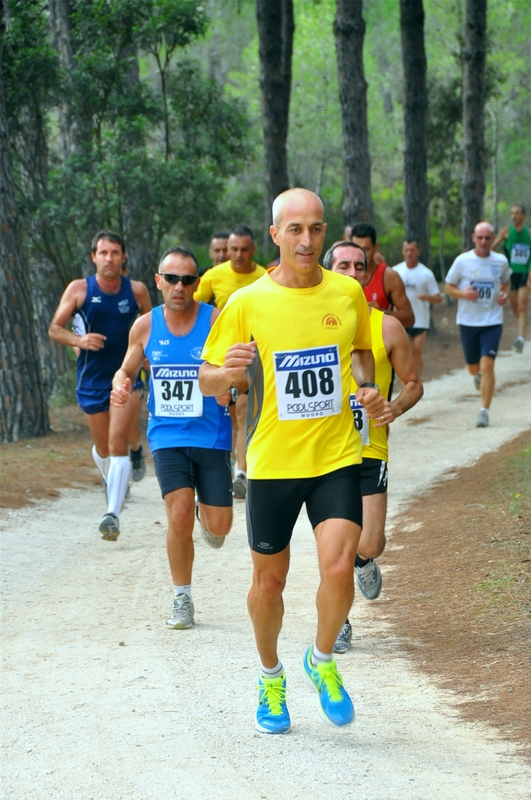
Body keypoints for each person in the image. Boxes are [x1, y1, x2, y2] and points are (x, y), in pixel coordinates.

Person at [199, 188, 385, 734]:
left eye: (316, 228)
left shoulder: (349, 292)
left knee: (337, 566)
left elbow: (360, 352)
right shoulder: (248, 302)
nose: (307, 239)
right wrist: (227, 374)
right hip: (275, 462)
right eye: (295, 229)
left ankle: (322, 659)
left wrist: (369, 390)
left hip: (336, 455)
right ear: (276, 234)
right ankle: (270, 675)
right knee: (269, 584)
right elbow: (210, 379)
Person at [110, 246, 233, 630]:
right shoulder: (145, 326)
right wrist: (120, 385)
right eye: (172, 279)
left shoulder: (216, 320)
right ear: (159, 281)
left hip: (212, 435)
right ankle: (183, 597)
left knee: (221, 527)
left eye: (188, 279)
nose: (180, 287)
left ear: (198, 283)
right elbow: (126, 369)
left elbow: (236, 370)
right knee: (177, 516)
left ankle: (206, 514)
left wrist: (232, 386)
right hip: (166, 436)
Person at [323, 241, 423, 653]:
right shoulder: (310, 323)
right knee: (336, 547)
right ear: (328, 270)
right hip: (323, 450)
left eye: (358, 266)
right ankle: (339, 621)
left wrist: (394, 407)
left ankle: (365, 561)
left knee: (370, 542)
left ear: (368, 274)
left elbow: (414, 384)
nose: (350, 271)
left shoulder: (387, 327)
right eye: (341, 264)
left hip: (369, 448)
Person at [49, 231, 151, 540]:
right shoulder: (79, 289)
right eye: (103, 253)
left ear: (123, 258)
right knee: (105, 447)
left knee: (117, 440)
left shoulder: (136, 290)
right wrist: (78, 340)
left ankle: (112, 514)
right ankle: (123, 470)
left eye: (115, 253)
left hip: (127, 377)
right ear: (94, 257)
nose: (109, 258)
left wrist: (149, 355)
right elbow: (55, 328)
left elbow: (153, 325)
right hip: (91, 378)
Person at [194, 224, 266, 500]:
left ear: (253, 250)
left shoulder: (263, 277)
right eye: (233, 249)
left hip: (255, 354)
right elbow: (193, 307)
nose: (237, 254)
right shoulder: (213, 276)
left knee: (244, 410)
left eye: (243, 250)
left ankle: (241, 473)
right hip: (222, 356)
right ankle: (232, 464)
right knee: (228, 412)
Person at [445, 222, 511, 428]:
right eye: (480, 238)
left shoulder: (500, 261)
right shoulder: (462, 261)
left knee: (488, 365)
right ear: (473, 237)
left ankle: (484, 411)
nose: (484, 242)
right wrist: (464, 294)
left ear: (493, 239)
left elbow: (506, 281)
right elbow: (448, 286)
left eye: (488, 238)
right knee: (473, 368)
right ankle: (478, 376)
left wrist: (504, 294)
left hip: (492, 320)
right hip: (468, 322)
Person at [350, 222, 414, 328]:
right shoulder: (341, 274)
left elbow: (410, 318)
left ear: (375, 247)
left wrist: (382, 313)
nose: (360, 255)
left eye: (366, 249)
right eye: (356, 249)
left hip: (379, 341)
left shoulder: (389, 277)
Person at [392, 239, 442, 375]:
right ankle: (406, 381)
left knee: (416, 352)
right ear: (403, 251)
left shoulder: (426, 273)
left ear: (418, 251)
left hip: (420, 320)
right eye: (406, 250)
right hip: (402, 319)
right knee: (404, 353)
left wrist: (427, 297)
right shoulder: (395, 271)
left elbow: (438, 298)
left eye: (412, 250)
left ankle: (416, 380)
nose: (409, 253)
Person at [492, 203, 530, 352]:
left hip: (525, 274)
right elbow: (491, 248)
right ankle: (523, 322)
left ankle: (520, 338)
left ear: (523, 216)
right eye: (512, 213)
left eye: (517, 213)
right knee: (515, 307)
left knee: (522, 305)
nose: (514, 216)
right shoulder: (506, 233)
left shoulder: (529, 233)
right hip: (510, 275)